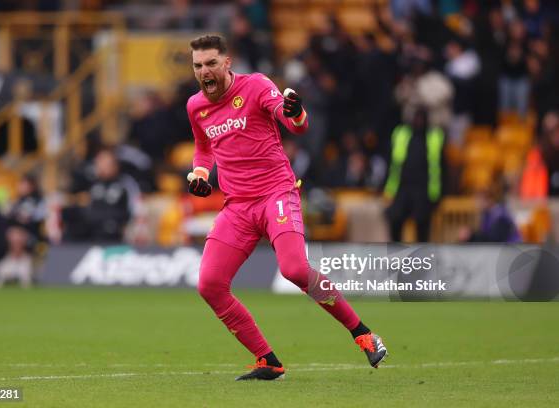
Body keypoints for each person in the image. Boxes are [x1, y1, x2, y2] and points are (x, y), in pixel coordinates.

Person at [185, 35, 387, 381]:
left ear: (227, 63)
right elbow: (203, 148)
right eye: (198, 66)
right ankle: (268, 361)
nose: (205, 71)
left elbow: (293, 121)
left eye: (211, 64)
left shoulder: (257, 86)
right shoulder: (195, 106)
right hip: (237, 207)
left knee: (294, 269)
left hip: (276, 194)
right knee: (210, 284)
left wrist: (297, 112)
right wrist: (201, 174)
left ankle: (362, 333)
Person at [384, 107, 446, 242]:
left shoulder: (434, 136)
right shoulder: (401, 134)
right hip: (402, 188)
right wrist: (388, 189)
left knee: (422, 226)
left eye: (421, 118)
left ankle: (421, 258)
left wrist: (438, 194)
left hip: (423, 189)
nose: (418, 121)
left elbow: (440, 167)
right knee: (395, 220)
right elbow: (392, 163)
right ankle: (396, 255)